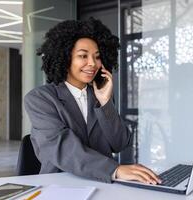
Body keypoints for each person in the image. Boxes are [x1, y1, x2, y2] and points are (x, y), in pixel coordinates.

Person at [24, 18, 161, 185]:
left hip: (101, 183)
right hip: (60, 184)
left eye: (97, 57)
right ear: (65, 57)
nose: (92, 63)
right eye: (83, 56)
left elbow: (119, 144)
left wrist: (105, 103)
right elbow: (63, 148)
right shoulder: (40, 98)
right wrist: (114, 170)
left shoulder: (101, 95)